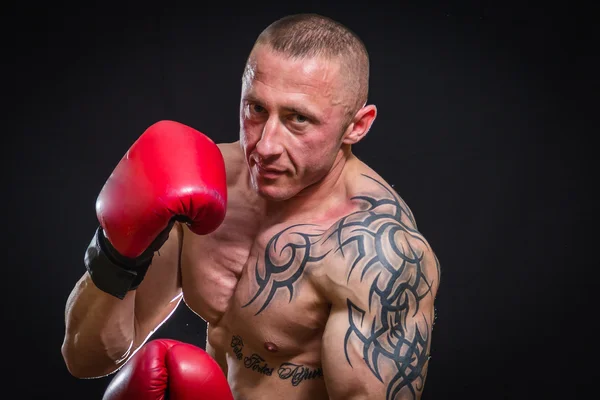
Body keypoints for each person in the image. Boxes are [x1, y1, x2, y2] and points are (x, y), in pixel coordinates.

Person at [61, 13, 441, 400]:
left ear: (357, 126)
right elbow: (86, 358)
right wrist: (117, 253)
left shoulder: (376, 255)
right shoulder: (202, 185)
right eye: (257, 109)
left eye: (298, 119)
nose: (265, 146)